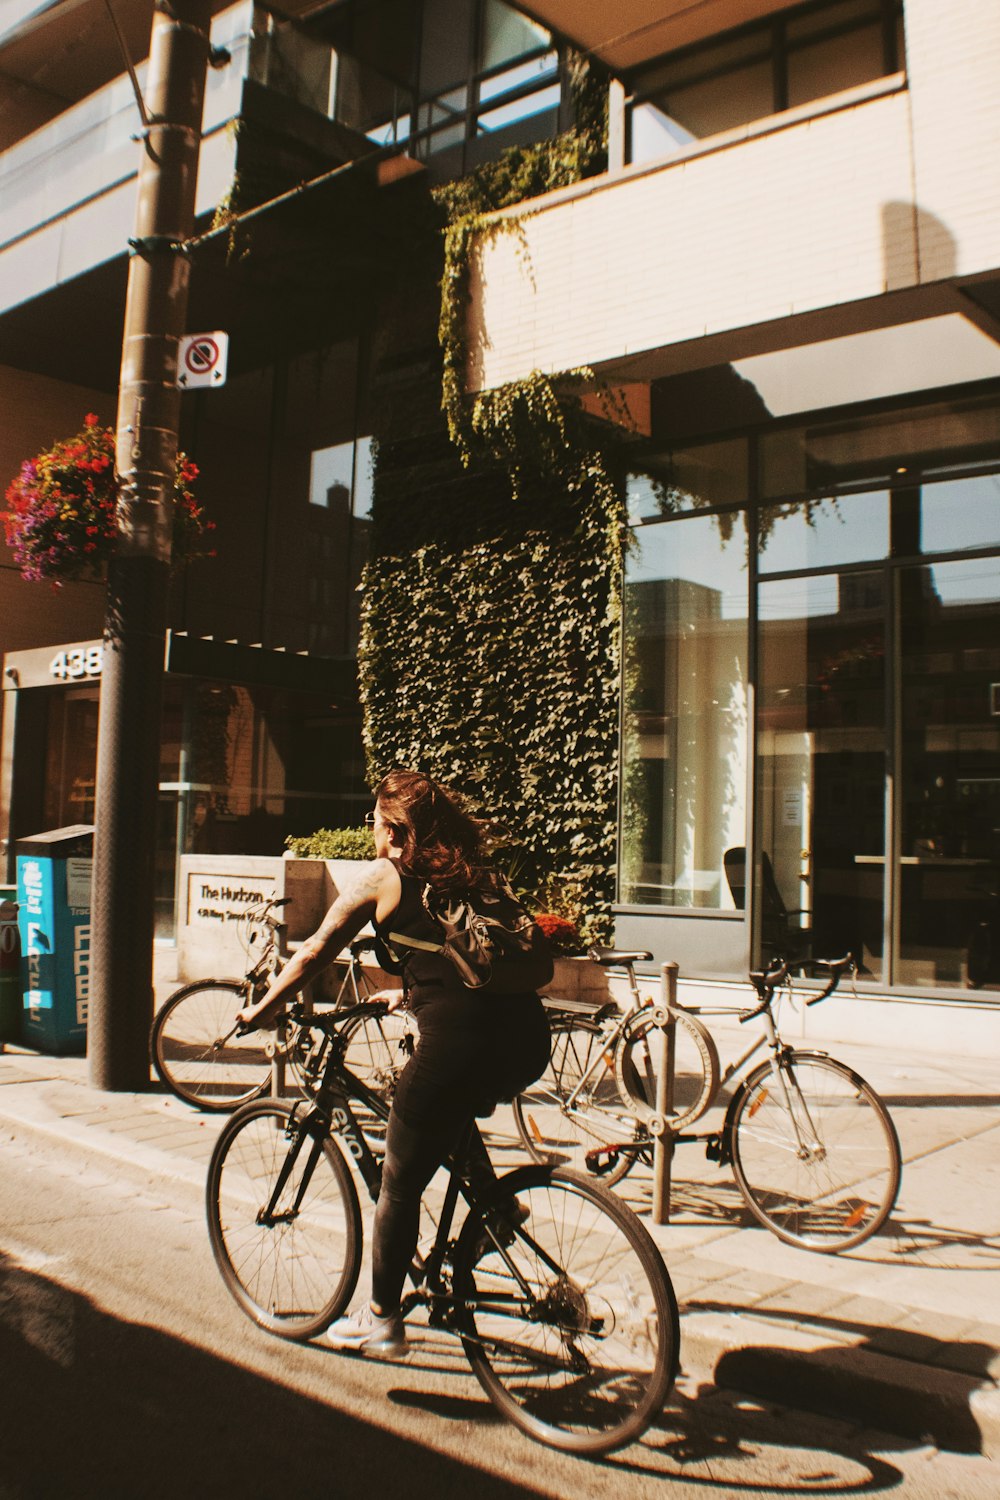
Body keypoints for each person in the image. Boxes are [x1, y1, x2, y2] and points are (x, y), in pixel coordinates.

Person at [236, 768, 551, 1357]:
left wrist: (264, 1009)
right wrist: (405, 994)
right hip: (528, 1040)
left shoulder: (384, 875)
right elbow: (462, 962)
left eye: (374, 819)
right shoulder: (474, 873)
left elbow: (313, 951)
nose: (368, 827)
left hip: (459, 1046)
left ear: (394, 829)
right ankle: (498, 1212)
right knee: (448, 1115)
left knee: (400, 1184)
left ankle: (381, 1319)